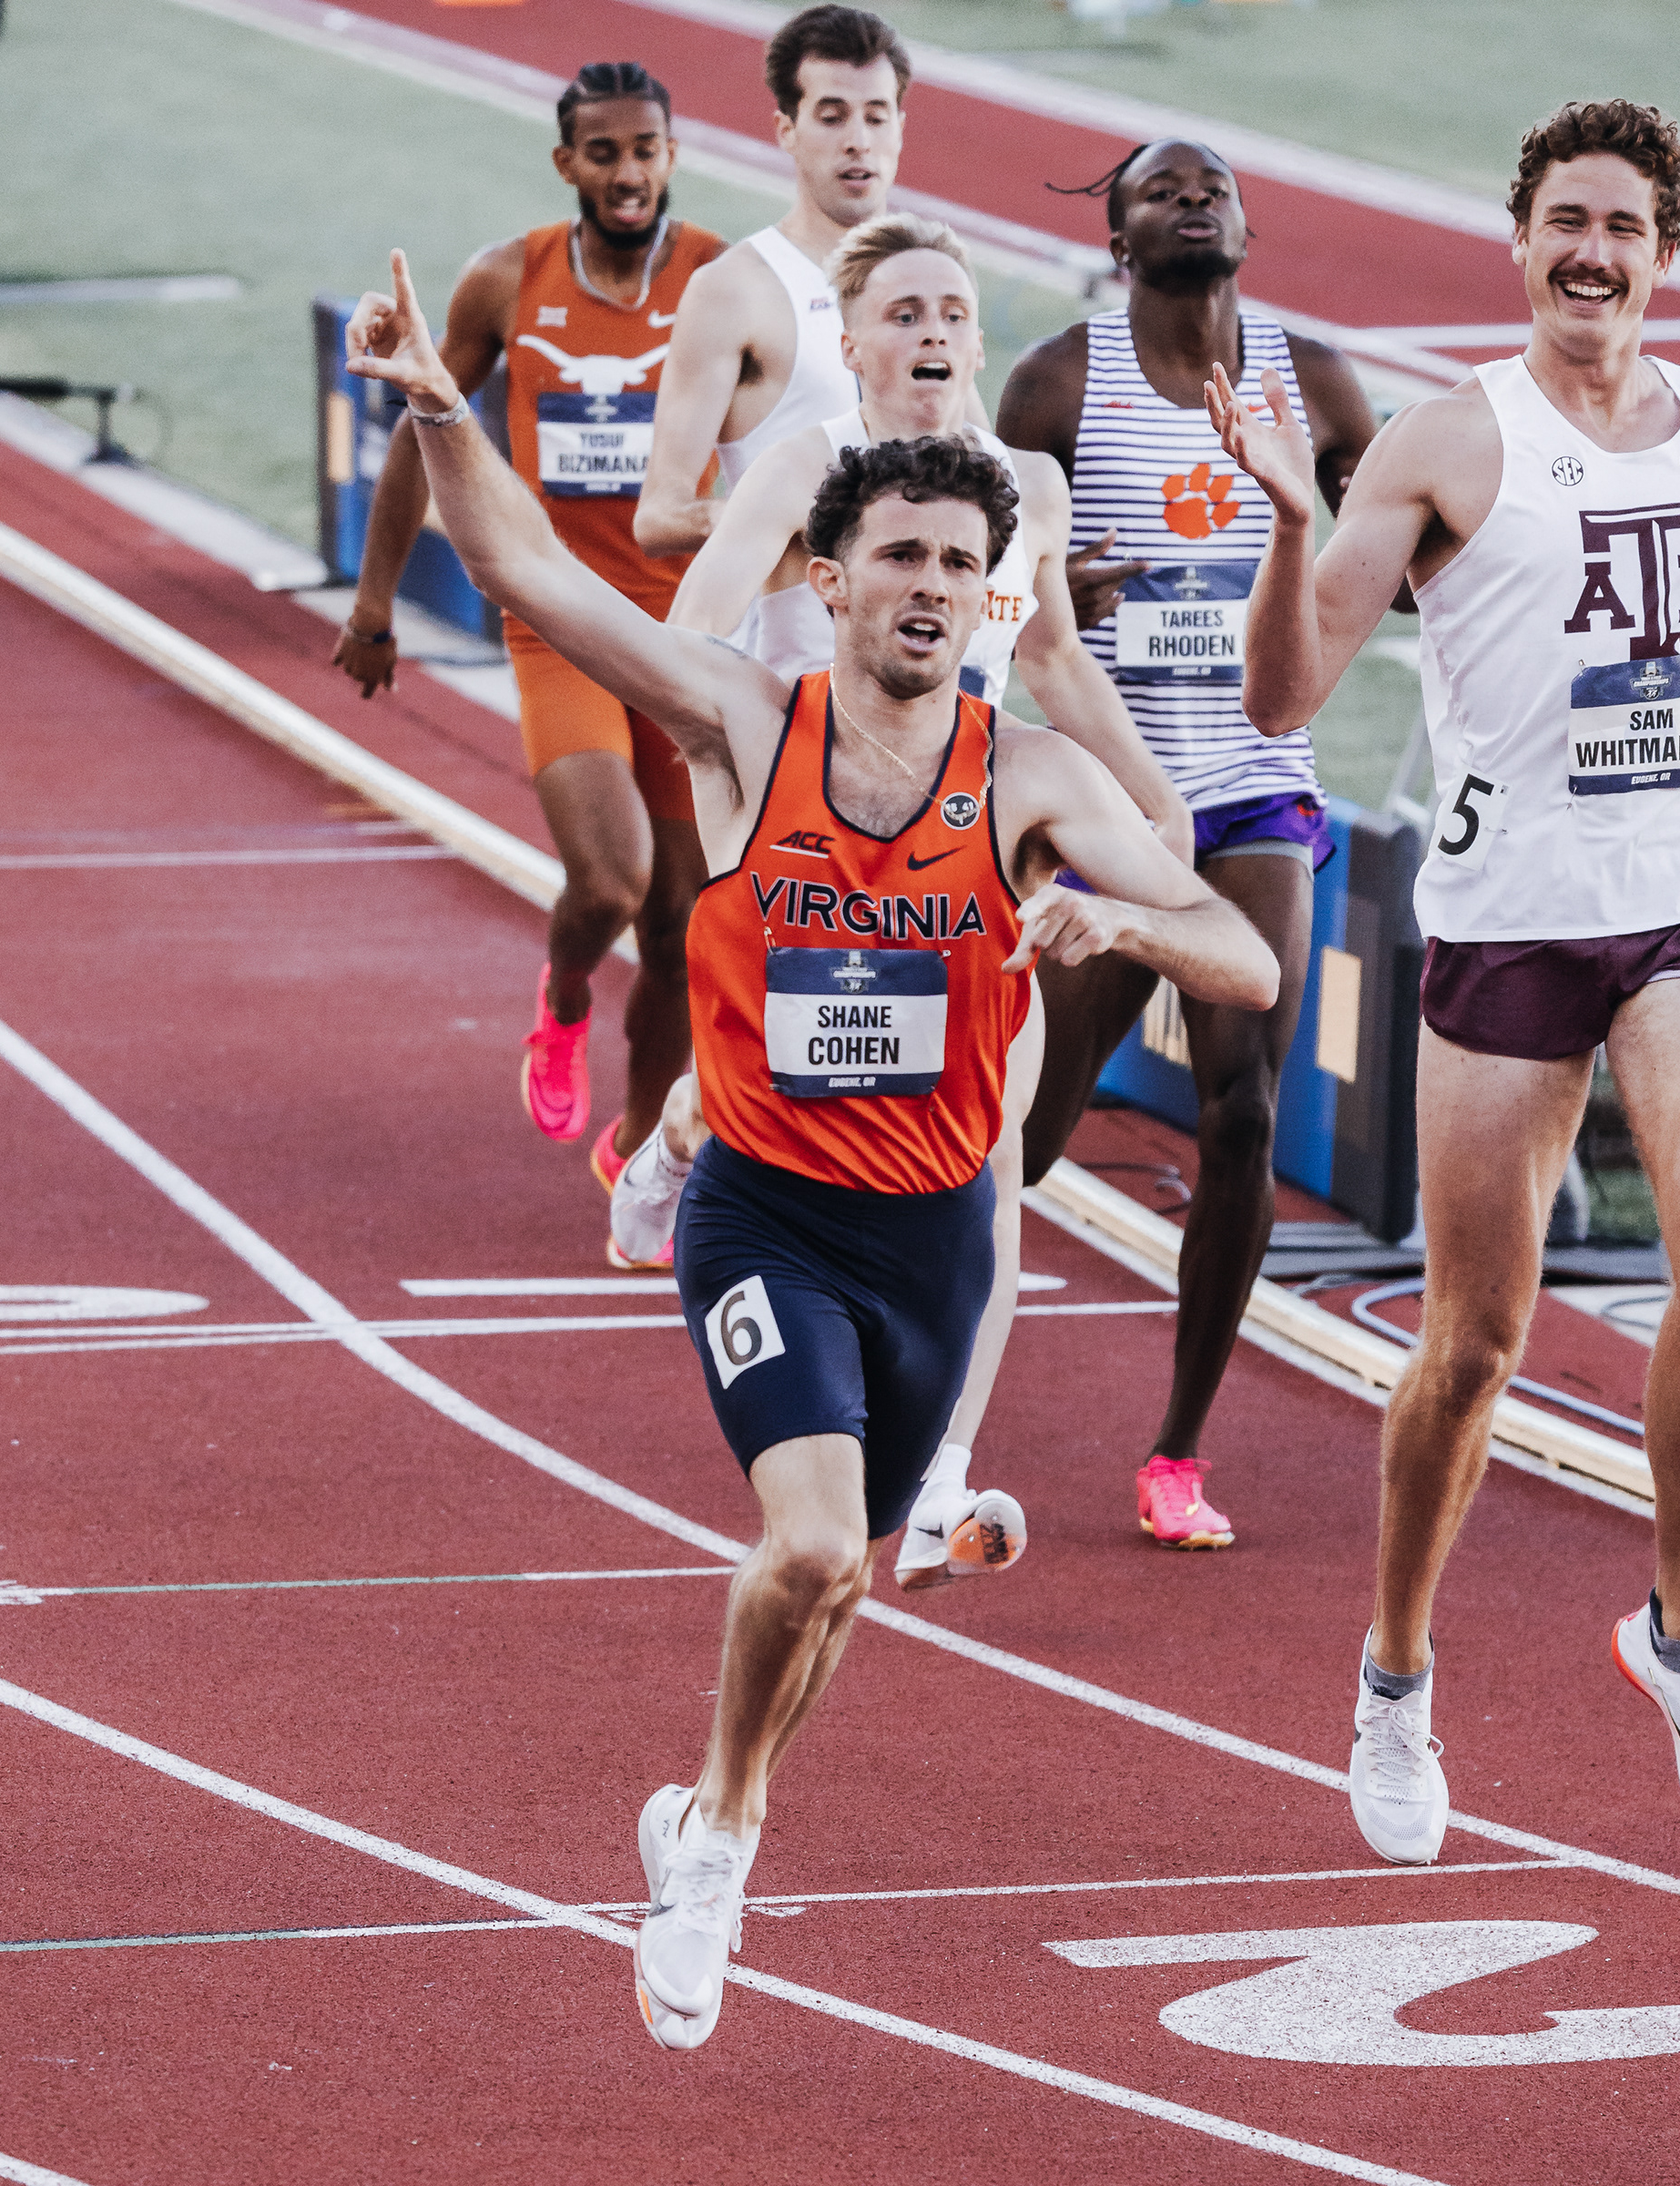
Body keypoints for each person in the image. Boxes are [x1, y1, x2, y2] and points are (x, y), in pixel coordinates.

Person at [343, 246, 1279, 2048]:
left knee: (842, 1582)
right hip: (768, 1217)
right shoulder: (746, 720)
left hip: (937, 1242)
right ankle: (718, 1844)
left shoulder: (1029, 779)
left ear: (993, 591)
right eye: (898, 558)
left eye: (959, 563)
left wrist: (1127, 923)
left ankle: (712, 1809)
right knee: (807, 1548)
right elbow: (533, 573)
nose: (929, 587)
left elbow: (1243, 955)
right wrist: (444, 408)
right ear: (833, 580)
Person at [1212, 99, 1680, 1863]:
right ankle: (1394, 1679)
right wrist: (1286, 524)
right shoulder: (1449, 439)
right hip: (1513, 918)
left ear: (1665, 254)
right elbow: (1285, 694)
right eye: (1565, 222)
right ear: (1519, 241)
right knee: (1472, 1347)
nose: (1593, 252)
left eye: (1624, 226)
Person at [627, 210, 1192, 1592]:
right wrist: (810, 622)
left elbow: (1052, 658)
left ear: (979, 338)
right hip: (812, 844)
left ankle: (938, 1479)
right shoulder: (806, 466)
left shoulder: (1029, 487)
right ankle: (679, 1135)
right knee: (770, 1093)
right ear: (852, 339)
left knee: (990, 1158)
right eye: (903, 312)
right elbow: (689, 628)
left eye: (952, 311)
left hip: (973, 858)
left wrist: (1149, 794)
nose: (932, 332)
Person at [996, 138, 1390, 1552]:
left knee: (1244, 1107)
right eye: (1160, 191)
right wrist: (1061, 592)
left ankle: (1177, 1452)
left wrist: (1336, 541)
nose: (1191, 201)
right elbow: (990, 591)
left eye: (1211, 185)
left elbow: (1397, 564)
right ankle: (902, 1338)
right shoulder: (1056, 384)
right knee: (1028, 1139)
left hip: (1256, 790)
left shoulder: (1314, 380)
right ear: (1118, 241)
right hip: (1113, 804)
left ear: (1247, 225)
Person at [331, 64, 722, 1239]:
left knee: (682, 929)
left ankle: (640, 1150)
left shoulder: (721, 281)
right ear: (567, 165)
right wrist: (374, 606)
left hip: (688, 633)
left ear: (671, 155)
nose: (628, 172)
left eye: (645, 149)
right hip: (560, 619)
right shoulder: (508, 279)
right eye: (604, 152)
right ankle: (563, 1000)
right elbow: (426, 424)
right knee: (611, 883)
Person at [633, 4, 908, 559]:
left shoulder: (934, 279)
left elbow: (980, 462)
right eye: (832, 117)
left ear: (900, 127)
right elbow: (658, 518)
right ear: (787, 130)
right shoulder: (733, 290)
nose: (858, 140)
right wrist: (784, 514)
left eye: (876, 117)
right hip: (786, 616)